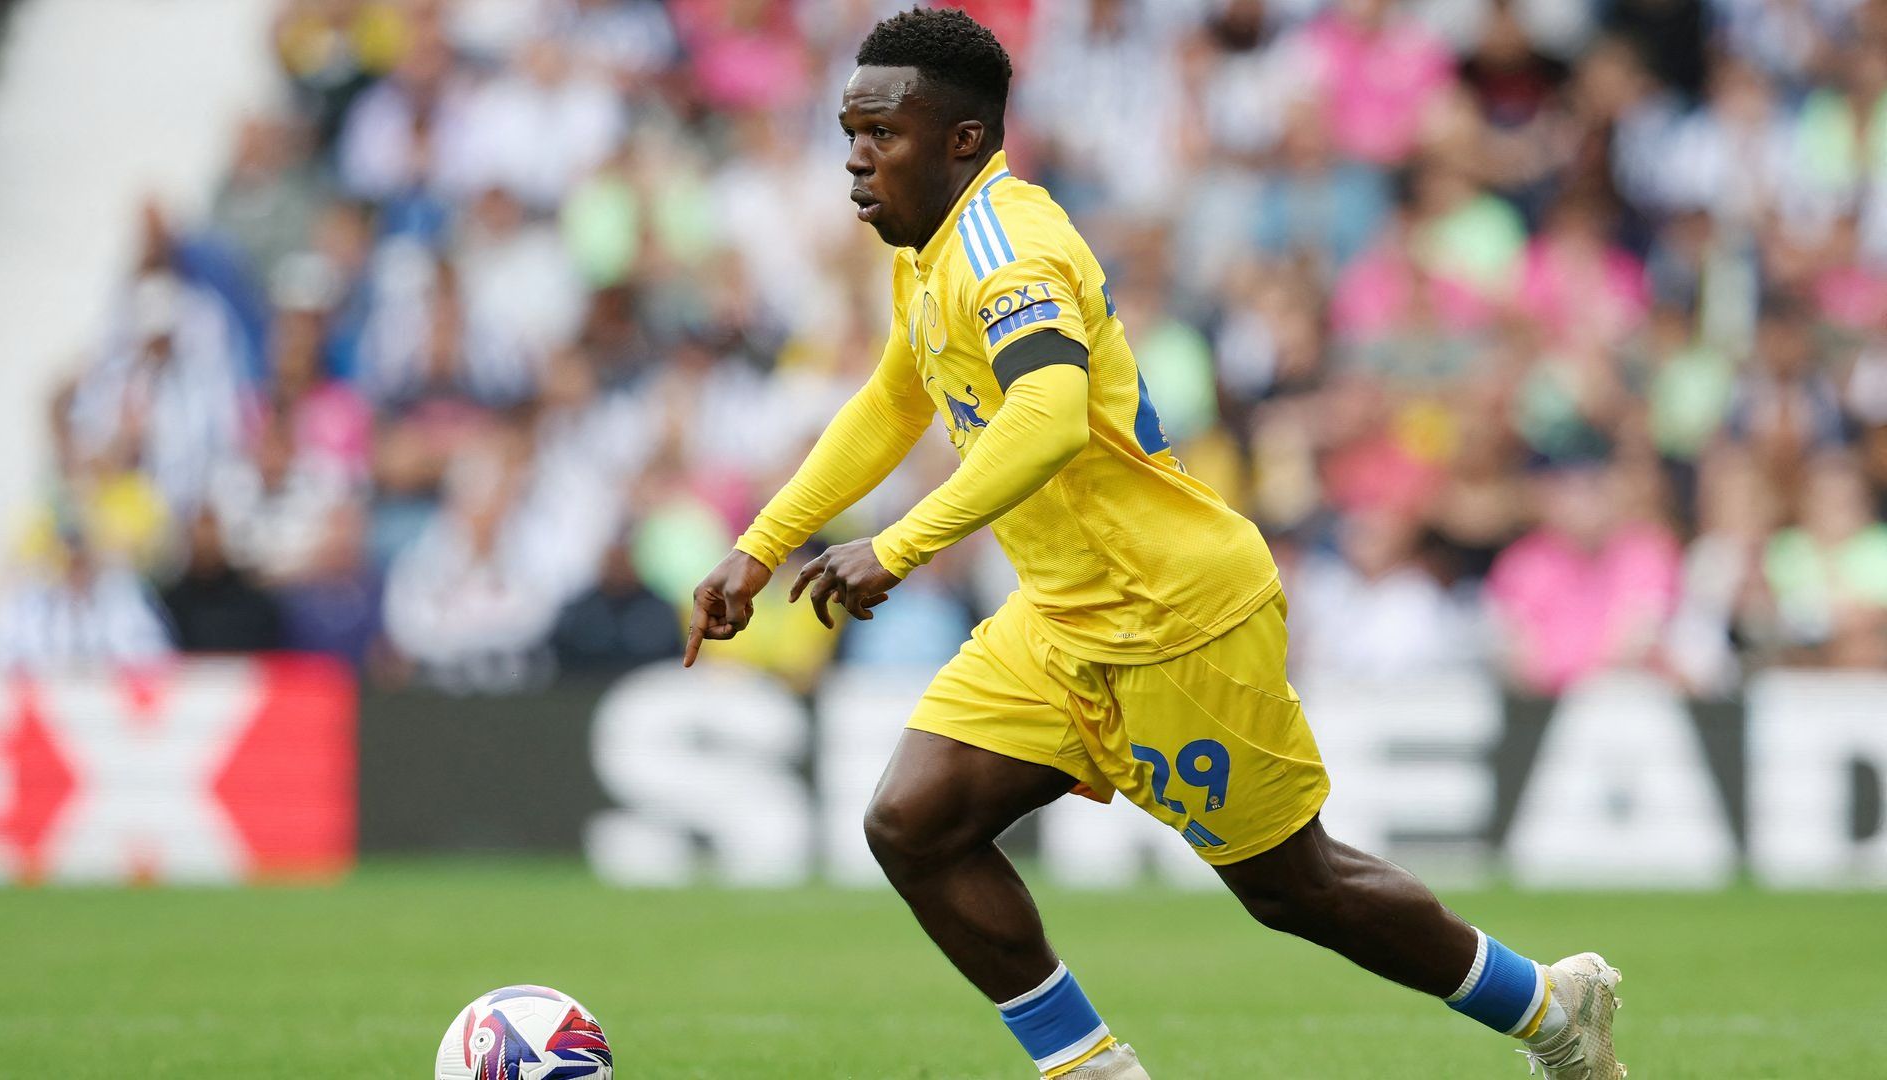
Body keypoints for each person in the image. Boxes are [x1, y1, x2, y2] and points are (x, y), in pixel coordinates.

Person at [684, 10, 1624, 1080]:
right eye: (848, 131)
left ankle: (1552, 1010)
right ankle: (1090, 1068)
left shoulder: (1008, 250)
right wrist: (760, 546)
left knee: (1293, 888)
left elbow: (1045, 413)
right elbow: (893, 403)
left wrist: (898, 546)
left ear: (964, 140)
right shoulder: (929, 251)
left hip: (1174, 615)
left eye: (881, 135)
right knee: (914, 821)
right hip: (1061, 615)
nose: (855, 158)